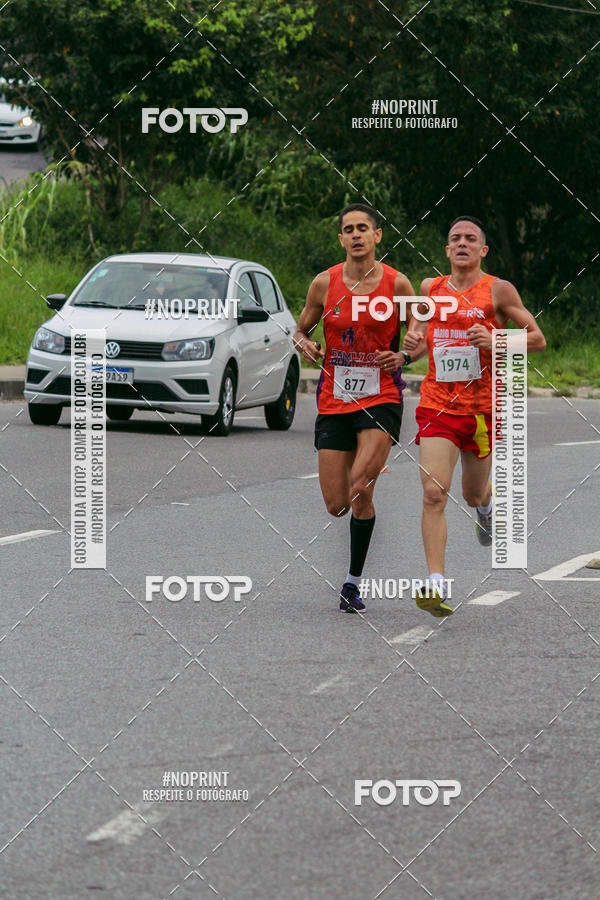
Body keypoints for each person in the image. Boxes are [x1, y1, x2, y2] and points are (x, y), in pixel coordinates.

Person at [404, 216, 546, 617]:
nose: (462, 243)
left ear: (483, 250)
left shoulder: (499, 290)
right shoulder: (430, 288)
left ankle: (484, 506)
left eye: (470, 238)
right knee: (434, 493)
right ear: (447, 250)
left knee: (471, 493)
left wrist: (497, 338)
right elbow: (418, 341)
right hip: (437, 405)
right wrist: (410, 346)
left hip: (481, 410)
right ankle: (436, 582)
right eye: (455, 239)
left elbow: (537, 339)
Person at [294, 203, 414, 612]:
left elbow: (421, 331)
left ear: (377, 236)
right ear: (341, 238)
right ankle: (355, 552)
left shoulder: (397, 284)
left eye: (364, 228)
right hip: (335, 398)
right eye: (349, 229)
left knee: (361, 485)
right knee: (339, 504)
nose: (357, 234)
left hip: (382, 396)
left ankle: (352, 583)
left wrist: (405, 355)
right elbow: (300, 329)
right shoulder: (323, 284)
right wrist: (306, 344)